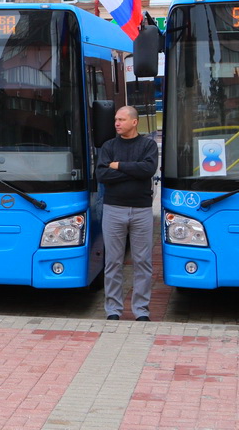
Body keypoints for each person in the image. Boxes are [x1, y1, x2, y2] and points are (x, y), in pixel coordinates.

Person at [97, 105, 158, 321]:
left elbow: (148, 170)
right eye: (115, 119)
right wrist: (133, 171)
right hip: (113, 209)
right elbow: (102, 174)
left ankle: (141, 311)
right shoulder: (108, 146)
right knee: (113, 262)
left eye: (121, 119)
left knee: (143, 262)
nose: (116, 123)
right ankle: (113, 310)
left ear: (134, 122)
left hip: (141, 211)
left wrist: (118, 165)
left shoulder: (148, 145)